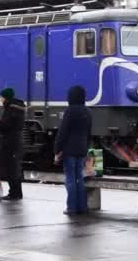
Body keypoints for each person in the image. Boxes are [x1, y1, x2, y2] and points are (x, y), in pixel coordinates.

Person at [54, 86, 92, 215]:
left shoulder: (70, 111)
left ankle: (72, 207)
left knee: (70, 179)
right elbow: (89, 133)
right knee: (79, 179)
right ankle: (83, 207)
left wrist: (57, 150)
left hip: (69, 150)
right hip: (81, 149)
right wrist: (86, 148)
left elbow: (62, 133)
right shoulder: (87, 111)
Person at [0, 88, 26, 200]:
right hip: (15, 141)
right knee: (15, 167)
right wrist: (0, 122)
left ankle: (14, 194)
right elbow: (9, 123)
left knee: (11, 168)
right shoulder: (16, 107)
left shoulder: (11, 109)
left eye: (1, 96)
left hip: (11, 142)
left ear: (6, 97)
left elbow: (6, 126)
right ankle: (17, 193)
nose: (0, 99)